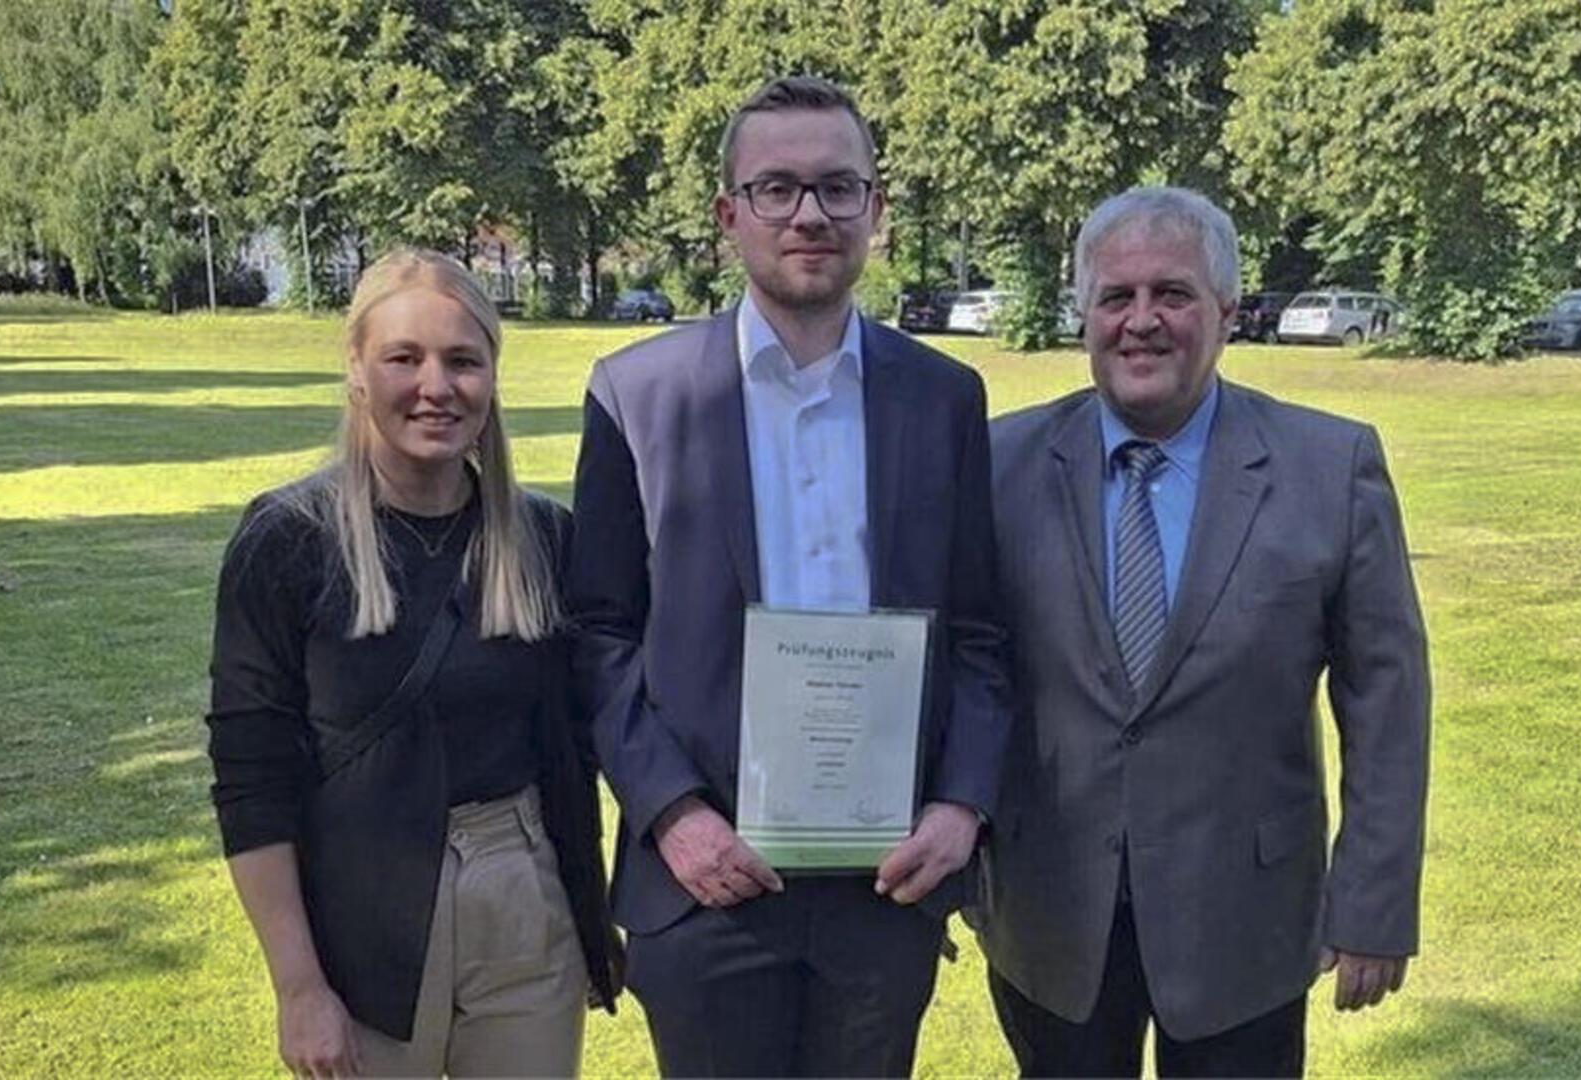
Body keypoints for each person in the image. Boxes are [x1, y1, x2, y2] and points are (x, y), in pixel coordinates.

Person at [567, 75, 1010, 1077]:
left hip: (885, 886)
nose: (809, 213)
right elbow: (596, 635)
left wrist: (961, 807)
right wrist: (671, 815)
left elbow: (981, 633)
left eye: (837, 187)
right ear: (731, 215)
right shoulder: (637, 397)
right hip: (705, 880)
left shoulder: (943, 399)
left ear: (875, 211)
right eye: (777, 189)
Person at [975, 187, 1432, 1078]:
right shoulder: (998, 465)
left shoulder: (1329, 469)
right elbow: (959, 670)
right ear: (1084, 317)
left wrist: (1375, 901)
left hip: (1244, 923)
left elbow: (1388, 698)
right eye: (1116, 297)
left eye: (1172, 294)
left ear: (1226, 311)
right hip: (1049, 915)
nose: (1141, 321)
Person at [206, 249, 621, 1078]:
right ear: (357, 369)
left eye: (463, 360)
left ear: (493, 376)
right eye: (405, 358)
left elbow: (582, 741)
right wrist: (299, 988)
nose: (436, 385)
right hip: (362, 917)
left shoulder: (543, 539)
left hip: (523, 900)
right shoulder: (288, 542)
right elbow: (252, 781)